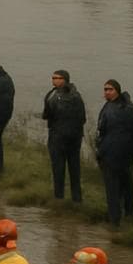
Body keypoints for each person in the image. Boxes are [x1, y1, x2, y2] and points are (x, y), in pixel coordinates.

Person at [96, 79, 133, 226]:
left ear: (117, 91)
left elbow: (129, 130)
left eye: (110, 89)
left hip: (115, 154)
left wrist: (102, 152)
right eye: (105, 90)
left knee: (114, 189)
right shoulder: (120, 106)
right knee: (125, 186)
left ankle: (115, 220)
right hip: (122, 153)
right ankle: (128, 216)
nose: (107, 92)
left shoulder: (122, 109)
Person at [43, 69, 87, 202]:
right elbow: (83, 118)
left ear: (65, 80)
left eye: (57, 78)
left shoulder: (55, 96)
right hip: (73, 136)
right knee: (71, 169)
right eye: (53, 78)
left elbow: (47, 114)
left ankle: (61, 198)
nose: (54, 80)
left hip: (60, 137)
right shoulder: (76, 95)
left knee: (61, 169)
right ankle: (74, 199)